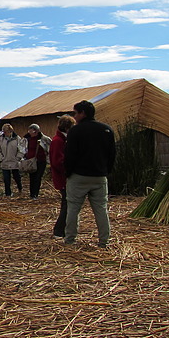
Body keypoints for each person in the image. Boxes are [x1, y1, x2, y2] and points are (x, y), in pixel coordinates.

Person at [64, 100, 116, 248]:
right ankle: (103, 241)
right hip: (99, 176)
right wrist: (106, 171)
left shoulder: (76, 130)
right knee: (101, 208)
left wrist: (68, 172)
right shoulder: (107, 130)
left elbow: (70, 154)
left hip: (79, 176)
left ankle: (70, 240)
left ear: (83, 113)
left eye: (75, 113)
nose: (74, 116)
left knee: (73, 208)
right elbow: (112, 154)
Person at [50, 114, 76, 239]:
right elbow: (57, 162)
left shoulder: (63, 140)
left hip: (64, 177)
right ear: (67, 128)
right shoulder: (58, 141)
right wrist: (69, 172)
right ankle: (59, 231)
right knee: (66, 204)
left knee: (68, 204)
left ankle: (63, 229)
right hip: (63, 178)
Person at [23, 124, 52, 199]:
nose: (29, 132)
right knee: (32, 177)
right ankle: (32, 194)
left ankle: (35, 194)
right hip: (30, 161)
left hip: (41, 161)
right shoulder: (26, 139)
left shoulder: (44, 139)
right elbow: (22, 148)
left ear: (35, 131)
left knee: (38, 177)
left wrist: (48, 158)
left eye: (30, 130)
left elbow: (50, 147)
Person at [0, 123, 23, 196]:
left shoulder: (17, 139)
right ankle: (8, 193)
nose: (5, 133)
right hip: (5, 161)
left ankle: (20, 188)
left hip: (14, 161)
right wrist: (1, 158)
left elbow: (21, 150)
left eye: (6, 132)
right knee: (6, 179)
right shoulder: (0, 139)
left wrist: (18, 158)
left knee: (16, 177)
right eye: (4, 132)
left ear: (11, 131)